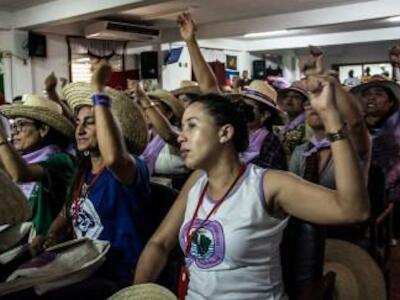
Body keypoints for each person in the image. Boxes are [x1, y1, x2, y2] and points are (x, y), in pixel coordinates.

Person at [133, 54, 369, 299]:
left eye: (192, 125)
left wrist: (330, 117)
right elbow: (159, 244)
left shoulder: (267, 184)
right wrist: (139, 293)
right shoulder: (197, 182)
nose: (181, 136)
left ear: (225, 133)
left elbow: (353, 210)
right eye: (182, 127)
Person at [26, 61, 151, 299]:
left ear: (113, 128)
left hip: (115, 274)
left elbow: (113, 158)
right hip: (82, 266)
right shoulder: (83, 171)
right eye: (78, 123)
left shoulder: (130, 167)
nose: (80, 129)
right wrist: (50, 235)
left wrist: (98, 91)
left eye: (90, 122)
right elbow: (68, 211)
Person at [0, 94, 75, 237]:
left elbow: (20, 174)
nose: (15, 131)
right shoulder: (20, 158)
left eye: (21, 124)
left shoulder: (61, 160)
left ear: (43, 130)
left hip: (46, 246)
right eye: (13, 126)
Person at [240, 80, 287, 170]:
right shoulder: (237, 134)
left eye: (247, 108)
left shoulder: (270, 141)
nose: (241, 110)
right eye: (241, 105)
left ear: (264, 115)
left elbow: (267, 174)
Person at [277, 83, 309, 157]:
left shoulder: (308, 126)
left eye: (296, 97)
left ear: (305, 103)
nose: (289, 99)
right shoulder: (285, 123)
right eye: (287, 96)